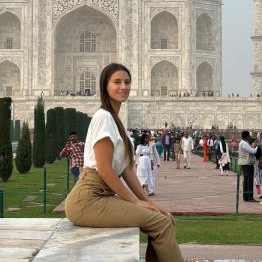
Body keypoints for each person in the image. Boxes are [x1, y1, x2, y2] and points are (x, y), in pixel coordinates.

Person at [65, 63, 183, 262]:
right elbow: (104, 170)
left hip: (99, 197)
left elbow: (127, 170)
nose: (123, 87)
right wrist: (135, 202)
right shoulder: (103, 118)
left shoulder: (116, 122)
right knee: (161, 224)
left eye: (127, 82)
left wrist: (149, 203)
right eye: (117, 82)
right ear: (105, 86)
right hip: (87, 200)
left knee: (163, 220)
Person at [238, 131, 259, 202]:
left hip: (245, 163)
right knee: (249, 180)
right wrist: (257, 147)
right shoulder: (244, 143)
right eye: (249, 136)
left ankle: (246, 197)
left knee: (247, 180)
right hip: (247, 163)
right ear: (246, 136)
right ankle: (250, 197)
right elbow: (253, 151)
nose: (250, 137)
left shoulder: (243, 143)